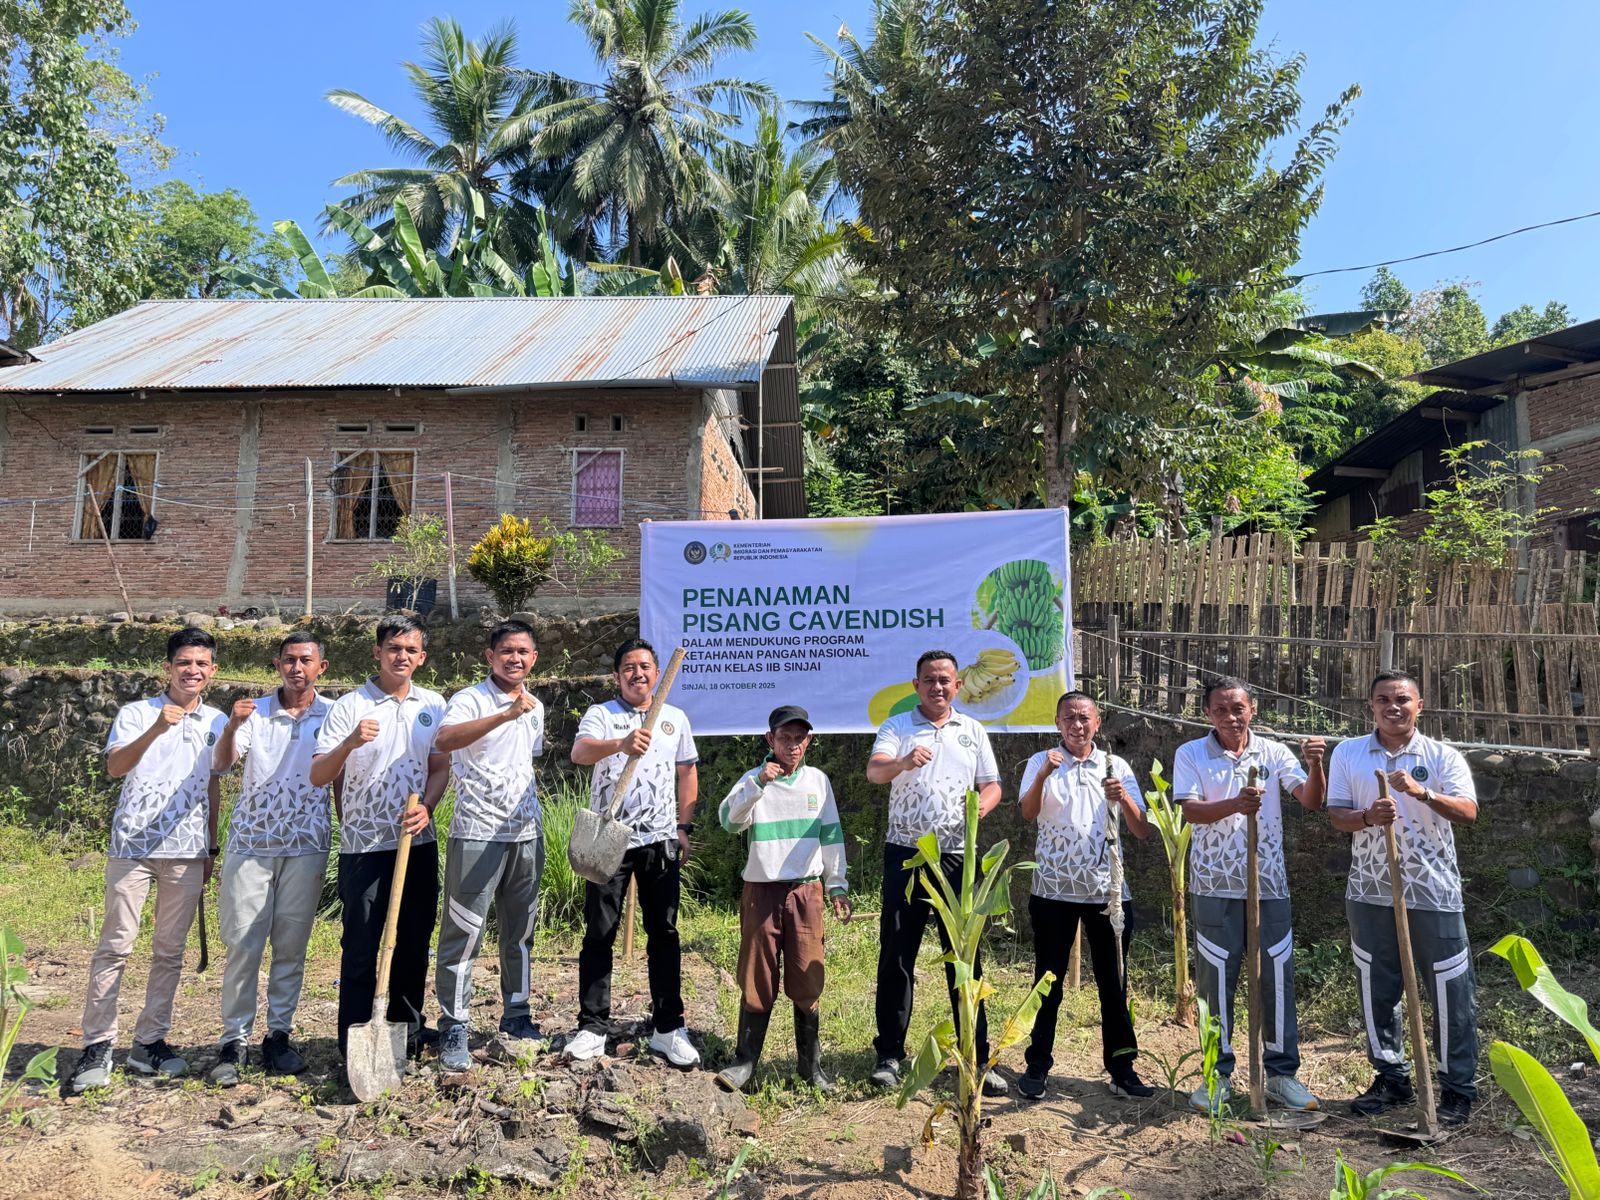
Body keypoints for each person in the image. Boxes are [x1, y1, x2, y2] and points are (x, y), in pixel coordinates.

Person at [67, 628, 227, 1093]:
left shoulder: (218, 721)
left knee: (169, 951)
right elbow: (116, 767)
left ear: (213, 671)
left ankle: (149, 1041)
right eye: (184, 662)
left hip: (187, 850)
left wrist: (211, 846)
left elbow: (212, 784)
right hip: (132, 847)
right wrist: (157, 728)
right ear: (168, 667)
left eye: (201, 664)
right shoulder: (136, 713)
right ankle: (97, 1045)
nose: (192, 671)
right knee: (115, 946)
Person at [1327, 670, 1479, 1128]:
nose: (1393, 707)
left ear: (1419, 705)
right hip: (1370, 888)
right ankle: (1392, 1078)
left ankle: (1456, 1088)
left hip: (1434, 890)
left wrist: (1422, 792)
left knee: (1450, 988)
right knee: (1377, 985)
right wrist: (1367, 816)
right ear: (1371, 706)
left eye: (1402, 699)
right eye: (1383, 700)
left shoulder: (1442, 756)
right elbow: (1337, 815)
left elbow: (1468, 811)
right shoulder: (1349, 752)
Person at [1171, 676, 1326, 1114]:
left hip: (1268, 884)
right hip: (1214, 884)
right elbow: (1191, 810)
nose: (1230, 717)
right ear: (1208, 714)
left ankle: (1281, 1075)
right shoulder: (1191, 754)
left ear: (1252, 710)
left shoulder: (1273, 753)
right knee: (1215, 980)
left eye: (1238, 708)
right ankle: (1215, 1076)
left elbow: (1310, 800)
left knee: (1276, 975)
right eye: (1220, 709)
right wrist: (1236, 805)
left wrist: (1315, 765)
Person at [866, 649, 1007, 1096]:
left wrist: (981, 807)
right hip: (907, 854)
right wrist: (903, 762)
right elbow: (875, 772)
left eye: (945, 680)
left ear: (958, 686)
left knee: (965, 958)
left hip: (957, 857)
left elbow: (992, 785)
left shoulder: (972, 731)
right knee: (897, 954)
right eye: (929, 680)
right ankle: (889, 1055)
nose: (937, 687)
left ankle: (976, 1057)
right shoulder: (897, 727)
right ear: (916, 685)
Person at [311, 616, 449, 1064]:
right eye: (393, 648)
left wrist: (428, 806)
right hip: (364, 847)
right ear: (377, 652)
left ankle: (407, 1030)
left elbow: (440, 767)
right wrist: (349, 743)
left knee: (414, 940)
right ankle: (353, 1036)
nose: (401, 656)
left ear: (421, 657)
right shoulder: (348, 707)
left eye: (410, 650)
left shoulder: (434, 705)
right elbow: (319, 775)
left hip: (417, 843)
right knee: (361, 944)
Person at [207, 632, 336, 1086]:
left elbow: (341, 774)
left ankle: (278, 1034)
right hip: (252, 843)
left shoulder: (334, 714)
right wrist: (231, 727)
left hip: (307, 844)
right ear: (277, 665)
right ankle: (234, 1040)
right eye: (289, 660)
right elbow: (221, 765)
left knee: (291, 947)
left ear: (321, 667)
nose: (297, 668)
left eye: (306, 660)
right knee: (244, 945)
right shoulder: (253, 712)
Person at [567, 639, 701, 1068]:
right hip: (609, 838)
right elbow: (580, 752)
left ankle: (668, 1028)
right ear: (617, 675)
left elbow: (687, 772)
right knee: (599, 933)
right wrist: (620, 744)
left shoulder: (674, 718)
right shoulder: (602, 715)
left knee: (664, 933)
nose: (637, 673)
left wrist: (683, 827)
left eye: (644, 666)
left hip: (659, 839)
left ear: (656, 672)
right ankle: (592, 1027)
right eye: (629, 667)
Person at [1016, 692, 1153, 1101]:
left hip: (1107, 892)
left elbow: (1142, 830)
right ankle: (1037, 1066)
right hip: (1053, 891)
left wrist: (1123, 797)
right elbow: (1027, 812)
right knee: (1047, 982)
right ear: (1057, 723)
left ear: (1098, 722)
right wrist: (1044, 775)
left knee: (1113, 983)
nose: (1077, 725)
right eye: (1069, 718)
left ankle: (1122, 1069)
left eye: (1084, 718)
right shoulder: (1040, 762)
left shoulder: (1116, 766)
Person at [714, 705, 852, 1094]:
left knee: (808, 974)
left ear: (809, 741)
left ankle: (810, 1068)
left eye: (799, 738)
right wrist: (758, 783)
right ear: (769, 739)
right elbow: (728, 821)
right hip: (762, 890)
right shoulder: (753, 781)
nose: (792, 746)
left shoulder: (818, 782)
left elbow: (831, 835)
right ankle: (745, 1063)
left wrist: (837, 884)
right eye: (784, 738)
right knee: (757, 975)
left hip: (806, 891)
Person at [432, 619, 548, 1072]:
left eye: (522, 652)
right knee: (463, 931)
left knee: (520, 930)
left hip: (525, 833)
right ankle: (454, 1024)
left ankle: (517, 1014)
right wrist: (504, 714)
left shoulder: (535, 706)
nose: (514, 659)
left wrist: (519, 711)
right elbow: (444, 740)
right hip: (476, 832)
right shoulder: (469, 700)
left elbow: (521, 762)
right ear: (490, 656)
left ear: (533, 658)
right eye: (506, 651)